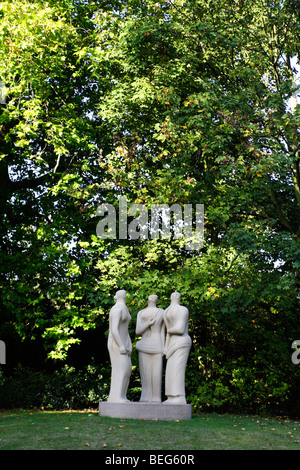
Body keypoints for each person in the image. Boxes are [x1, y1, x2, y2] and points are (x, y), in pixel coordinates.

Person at [136, 294, 165, 403]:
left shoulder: (161, 312)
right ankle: (145, 396)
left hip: (157, 343)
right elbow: (138, 331)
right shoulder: (141, 313)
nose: (152, 298)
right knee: (145, 372)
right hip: (144, 343)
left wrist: (164, 347)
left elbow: (162, 331)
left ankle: (156, 397)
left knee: (156, 372)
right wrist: (148, 323)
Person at [163, 292, 191, 404]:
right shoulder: (167, 311)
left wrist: (169, 330)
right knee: (170, 370)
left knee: (177, 370)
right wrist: (166, 347)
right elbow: (169, 333)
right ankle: (171, 397)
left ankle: (179, 397)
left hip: (181, 342)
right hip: (172, 343)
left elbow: (179, 329)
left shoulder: (183, 310)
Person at [107, 290, 132, 403]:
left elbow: (125, 330)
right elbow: (114, 330)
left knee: (127, 369)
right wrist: (121, 344)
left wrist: (129, 343)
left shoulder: (124, 308)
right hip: (116, 342)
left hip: (124, 342)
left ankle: (121, 396)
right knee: (122, 369)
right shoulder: (117, 309)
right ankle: (116, 397)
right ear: (117, 296)